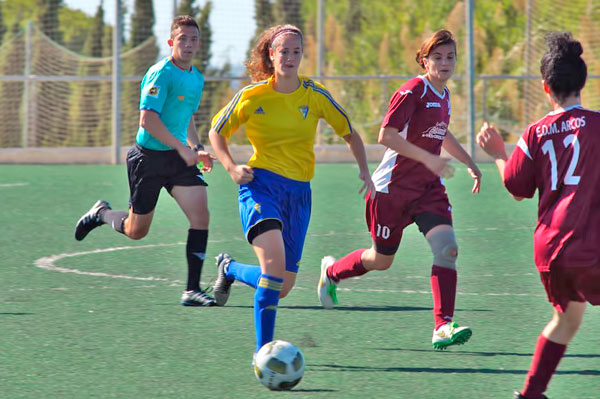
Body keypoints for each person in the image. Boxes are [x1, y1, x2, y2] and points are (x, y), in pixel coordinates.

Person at [208, 24, 375, 356]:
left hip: (299, 194)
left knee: (282, 285)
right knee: (272, 272)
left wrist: (364, 171)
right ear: (271, 55)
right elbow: (217, 130)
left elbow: (350, 132)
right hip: (261, 187)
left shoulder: (313, 94)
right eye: (283, 51)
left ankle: (228, 269)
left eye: (296, 51)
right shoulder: (251, 95)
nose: (290, 57)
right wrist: (230, 167)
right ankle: (263, 354)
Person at [317, 29, 482, 350]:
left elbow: (442, 133)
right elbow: (386, 135)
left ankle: (442, 326)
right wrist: (428, 159)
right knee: (381, 260)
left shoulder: (445, 95)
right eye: (437, 57)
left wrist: (469, 162)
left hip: (428, 190)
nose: (445, 62)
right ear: (424, 61)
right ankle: (332, 272)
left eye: (450, 57)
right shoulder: (412, 92)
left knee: (448, 249)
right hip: (391, 191)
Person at [477, 32, 600, 399]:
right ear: (584, 80)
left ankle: (530, 394)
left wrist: (499, 152)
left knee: (567, 319)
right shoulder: (597, 124)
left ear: (545, 88)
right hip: (588, 244)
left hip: (550, 250)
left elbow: (517, 190)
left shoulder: (535, 133)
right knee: (568, 318)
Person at [74, 16, 217, 307]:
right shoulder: (160, 74)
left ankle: (192, 290)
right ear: (171, 43)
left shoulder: (196, 78)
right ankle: (101, 214)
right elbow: (148, 121)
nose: (189, 45)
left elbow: (187, 116)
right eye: (182, 39)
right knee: (136, 231)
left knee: (201, 215)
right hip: (148, 159)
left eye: (193, 40)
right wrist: (182, 147)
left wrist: (197, 147)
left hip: (177, 159)